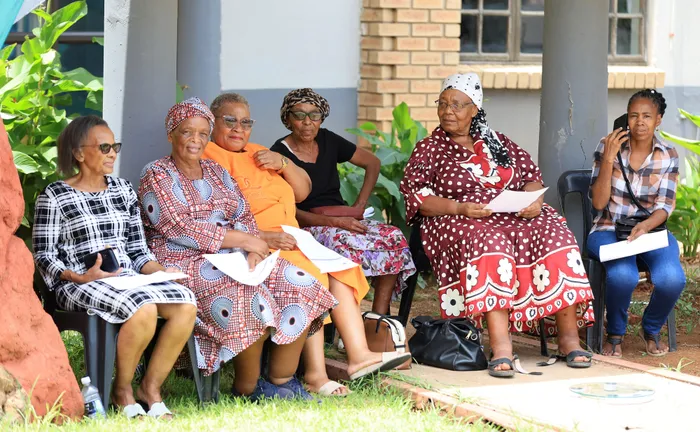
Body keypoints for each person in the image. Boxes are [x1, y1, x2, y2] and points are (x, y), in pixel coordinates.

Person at [202, 93, 412, 396]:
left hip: (291, 234)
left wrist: (284, 163)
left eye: (246, 122)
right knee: (313, 276)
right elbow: (213, 217)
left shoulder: (259, 152)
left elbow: (301, 192)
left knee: (340, 270)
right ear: (213, 122)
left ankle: (359, 356)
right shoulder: (209, 157)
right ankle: (316, 374)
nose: (239, 128)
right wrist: (261, 236)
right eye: (230, 121)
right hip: (256, 241)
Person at [139, 98, 338, 402]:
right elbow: (178, 226)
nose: (195, 140)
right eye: (187, 132)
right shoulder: (157, 173)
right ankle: (247, 387)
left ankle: (282, 380)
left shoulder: (216, 171)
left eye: (202, 133)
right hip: (182, 258)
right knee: (246, 293)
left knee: (301, 283)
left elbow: (242, 213)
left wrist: (255, 249)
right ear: (171, 134)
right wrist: (246, 242)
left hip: (233, 254)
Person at [399, 73, 595, 377]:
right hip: (456, 219)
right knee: (491, 242)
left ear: (474, 109)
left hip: (510, 215)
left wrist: (533, 201)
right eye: (443, 104)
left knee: (556, 233)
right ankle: (501, 345)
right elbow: (417, 196)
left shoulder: (497, 142)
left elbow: (531, 177)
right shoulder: (430, 148)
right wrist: (460, 207)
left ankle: (568, 338)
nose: (448, 111)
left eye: (457, 105)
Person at [32, 115, 197, 419]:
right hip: (78, 283)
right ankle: (122, 391)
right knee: (143, 308)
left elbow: (137, 249)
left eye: (115, 147)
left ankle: (150, 388)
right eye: (104, 147)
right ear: (79, 153)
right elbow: (44, 255)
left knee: (185, 303)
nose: (112, 154)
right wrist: (79, 276)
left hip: (127, 280)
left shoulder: (123, 189)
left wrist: (161, 272)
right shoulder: (55, 195)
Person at [270, 88, 416, 315]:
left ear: (321, 119)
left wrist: (359, 205)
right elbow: (290, 212)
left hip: (340, 218)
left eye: (314, 115)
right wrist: (335, 223)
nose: (307, 122)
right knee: (343, 245)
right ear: (287, 119)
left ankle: (377, 318)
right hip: (307, 225)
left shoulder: (327, 139)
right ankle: (349, 318)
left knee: (393, 237)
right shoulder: (279, 154)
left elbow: (373, 163)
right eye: (299, 115)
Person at [588, 89, 685, 358]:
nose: (639, 122)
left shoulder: (668, 154)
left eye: (647, 116)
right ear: (625, 119)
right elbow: (599, 203)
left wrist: (645, 226)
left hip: (650, 231)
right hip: (608, 228)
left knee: (672, 278)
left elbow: (664, 206)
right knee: (623, 275)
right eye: (633, 115)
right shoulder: (607, 146)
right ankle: (615, 333)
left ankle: (651, 328)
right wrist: (609, 158)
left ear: (658, 120)